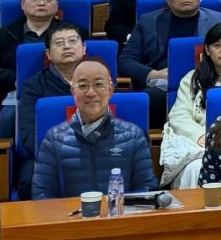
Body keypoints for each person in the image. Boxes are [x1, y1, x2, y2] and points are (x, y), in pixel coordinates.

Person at [32, 58, 153, 200]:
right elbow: (42, 194)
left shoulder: (133, 136)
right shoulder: (53, 139)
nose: (91, 92)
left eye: (99, 84)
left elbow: (147, 188)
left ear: (110, 90)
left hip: (120, 212)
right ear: (73, 91)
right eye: (83, 86)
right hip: (72, 214)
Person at [158, 22, 221, 188]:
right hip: (201, 143)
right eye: (217, 45)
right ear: (207, 50)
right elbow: (178, 116)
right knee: (197, 167)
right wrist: (202, 137)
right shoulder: (192, 78)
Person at [0, 0, 83, 109]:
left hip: (63, 90)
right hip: (17, 93)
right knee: (8, 117)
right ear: (23, 4)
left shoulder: (74, 33)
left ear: (57, 5)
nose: (42, 3)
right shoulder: (5, 34)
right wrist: (16, 78)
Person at [121, 0, 221, 94]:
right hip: (162, 87)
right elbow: (125, 60)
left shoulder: (219, 21)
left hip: (206, 83)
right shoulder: (148, 22)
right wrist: (153, 74)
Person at [12, 21, 84, 191]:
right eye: (59, 43)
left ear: (84, 48)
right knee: (30, 180)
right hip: (48, 155)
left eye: (72, 41)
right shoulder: (33, 86)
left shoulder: (99, 81)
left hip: (97, 152)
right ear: (48, 54)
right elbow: (29, 133)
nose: (67, 46)